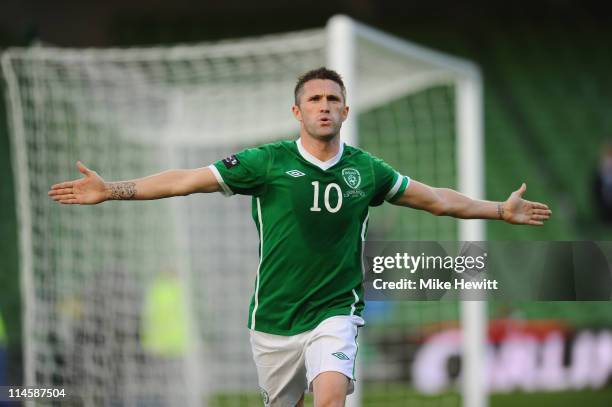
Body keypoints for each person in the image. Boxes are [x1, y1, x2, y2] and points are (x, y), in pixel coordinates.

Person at [48, 67, 551, 407]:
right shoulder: (266, 162)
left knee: (330, 396)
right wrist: (111, 189)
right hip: (272, 319)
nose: (325, 106)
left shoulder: (367, 170)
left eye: (334, 99)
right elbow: (184, 180)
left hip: (335, 311)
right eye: (315, 99)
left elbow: (437, 199)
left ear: (346, 112)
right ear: (298, 113)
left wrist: (498, 211)